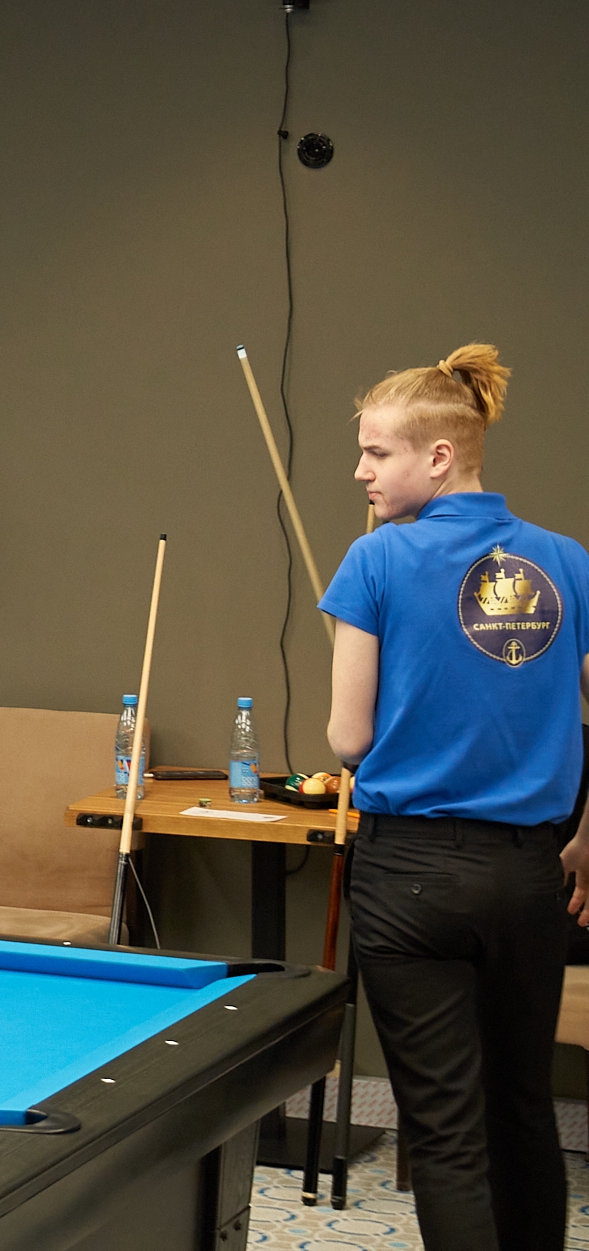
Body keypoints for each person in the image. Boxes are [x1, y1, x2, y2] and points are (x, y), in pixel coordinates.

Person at [322, 343, 589, 1251]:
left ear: (439, 455)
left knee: (444, 1132)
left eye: (376, 451)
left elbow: (348, 737)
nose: (360, 470)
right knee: (524, 1111)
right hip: (529, 876)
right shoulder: (566, 561)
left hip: (410, 875)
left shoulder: (374, 559)